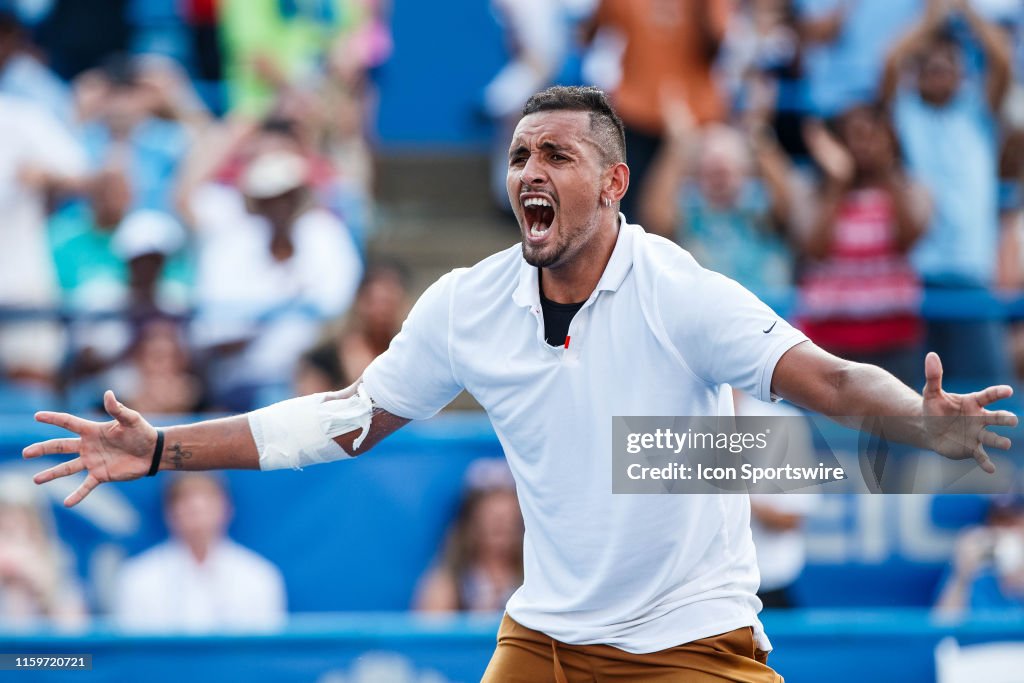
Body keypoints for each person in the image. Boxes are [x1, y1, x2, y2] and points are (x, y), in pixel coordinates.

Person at [24, 86, 1017, 681]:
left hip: (693, 641)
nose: (527, 171)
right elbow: (347, 419)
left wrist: (916, 419)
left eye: (556, 154)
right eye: (516, 155)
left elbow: (829, 380)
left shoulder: (677, 289)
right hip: (545, 639)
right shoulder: (466, 303)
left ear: (614, 183)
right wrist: (162, 446)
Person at [882, 0, 1013, 389]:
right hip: (916, 279)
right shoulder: (906, 114)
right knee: (914, 399)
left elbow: (1002, 61)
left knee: (991, 395)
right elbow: (890, 64)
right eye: (929, 65)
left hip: (973, 278)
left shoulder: (978, 113)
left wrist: (965, 9)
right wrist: (932, 19)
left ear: (961, 71)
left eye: (947, 64)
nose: (938, 71)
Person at [794, 105, 929, 387]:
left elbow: (908, 241)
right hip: (830, 339)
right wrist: (838, 183)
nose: (864, 145)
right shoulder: (815, 190)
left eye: (873, 136)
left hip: (893, 337)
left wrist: (887, 174)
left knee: (895, 426)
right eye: (855, 136)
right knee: (833, 430)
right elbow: (816, 249)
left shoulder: (911, 188)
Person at [113, 472, 286, 632]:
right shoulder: (137, 578)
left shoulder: (259, 577)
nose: (196, 506)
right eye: (184, 498)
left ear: (228, 508)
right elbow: (133, 655)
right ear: (168, 512)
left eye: (207, 496)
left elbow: (265, 654)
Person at [415, 459, 524, 613]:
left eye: (509, 522)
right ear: (472, 522)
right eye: (492, 520)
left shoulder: (534, 580)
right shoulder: (449, 582)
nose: (501, 528)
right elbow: (430, 630)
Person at [0, 473, 86, 629]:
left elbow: (75, 634)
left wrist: (46, 591)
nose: (18, 543)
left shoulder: (57, 561)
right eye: (6, 531)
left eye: (28, 530)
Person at [935, 494, 1024, 615]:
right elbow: (943, 627)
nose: (1005, 531)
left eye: (1014, 523)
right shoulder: (976, 570)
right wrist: (961, 576)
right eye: (999, 522)